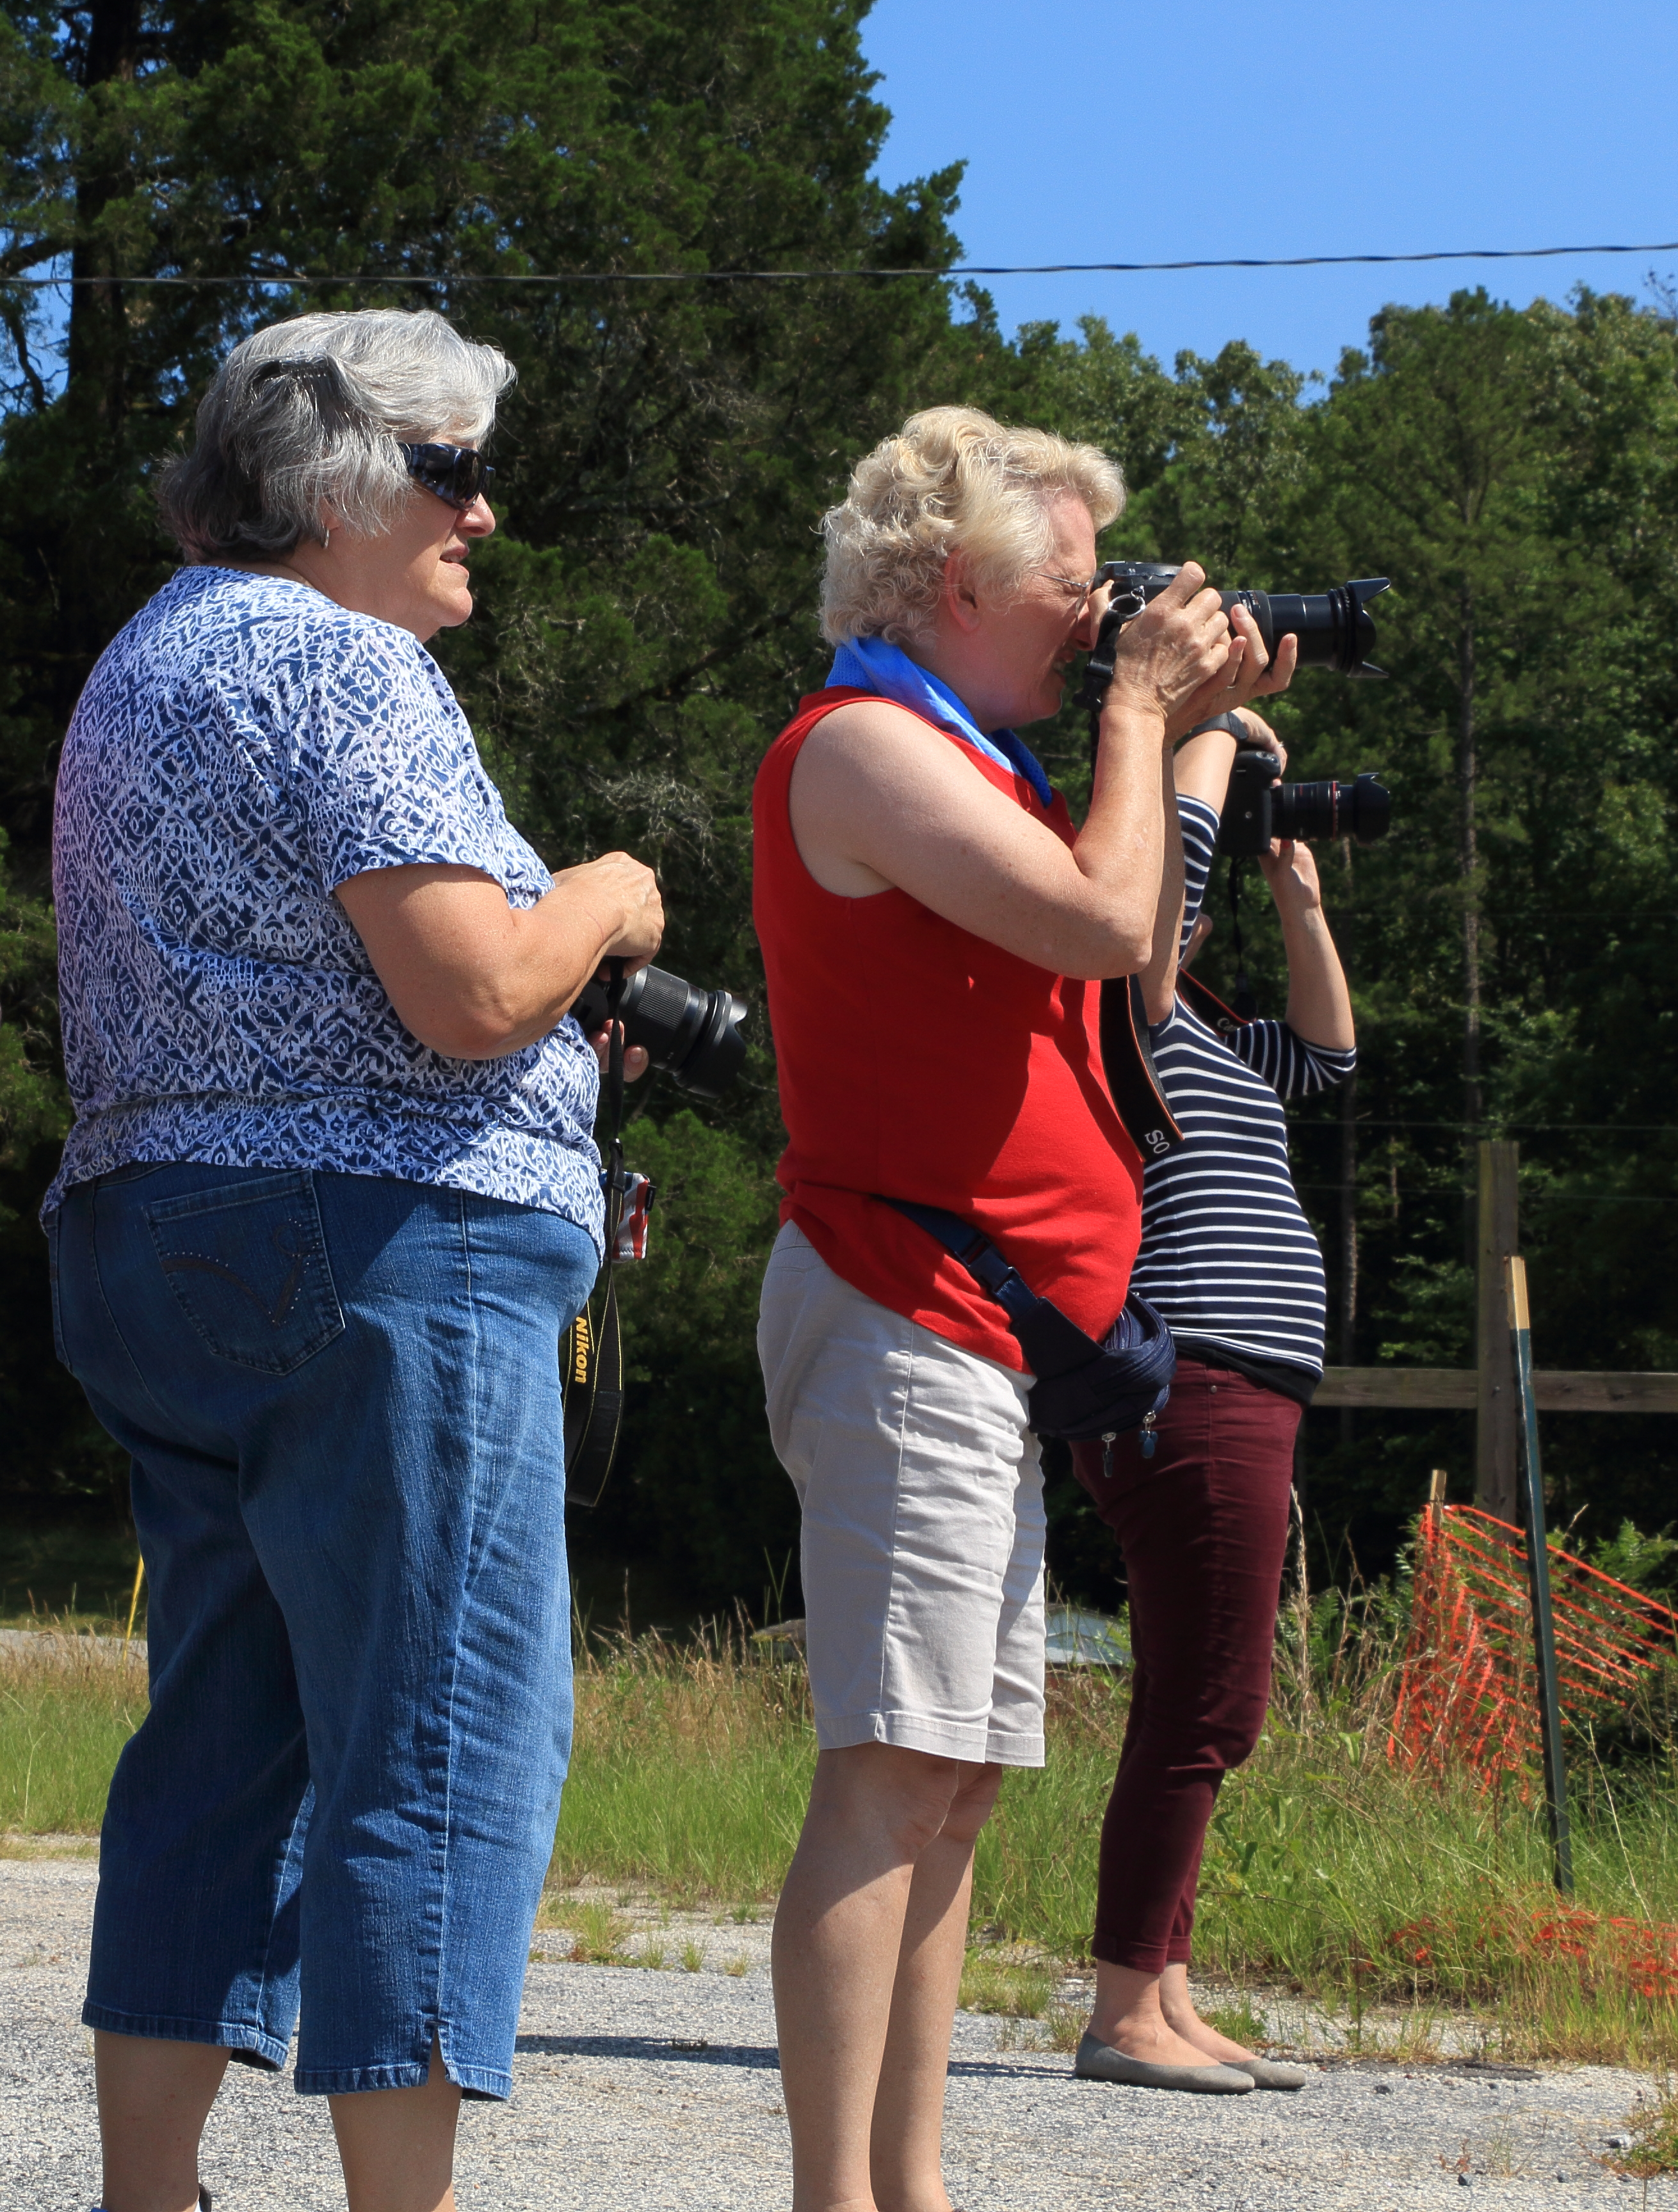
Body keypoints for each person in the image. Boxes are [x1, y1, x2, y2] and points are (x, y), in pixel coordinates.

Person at [43, 308, 662, 2212]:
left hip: (162, 1242)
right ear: (336, 483)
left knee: (222, 1734)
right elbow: (472, 989)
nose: (486, 510)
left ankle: (149, 2195)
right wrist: (601, 905)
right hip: (383, 1253)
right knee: (443, 1737)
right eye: (453, 470)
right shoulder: (344, 661)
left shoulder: (143, 663)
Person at [752, 406, 1287, 2212]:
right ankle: (840, 2196)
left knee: (958, 1782)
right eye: (1072, 587)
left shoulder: (975, 765)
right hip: (901, 1302)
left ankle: (910, 2189)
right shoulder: (856, 749)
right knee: (890, 1774)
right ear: (954, 581)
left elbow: (1137, 953)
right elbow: (1083, 922)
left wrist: (1185, 731)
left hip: (980, 1336)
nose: (1094, 616)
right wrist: (1139, 715)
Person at [1069, 707, 1356, 2095]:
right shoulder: (1123, 1003)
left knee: (1203, 1698)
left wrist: (1296, 893)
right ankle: (1125, 2006)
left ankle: (1162, 1991)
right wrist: (1208, 741)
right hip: (1200, 1378)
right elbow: (1152, 894)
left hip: (1248, 1383)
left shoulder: (1222, 1040)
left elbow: (1334, 1062)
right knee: (1207, 1701)